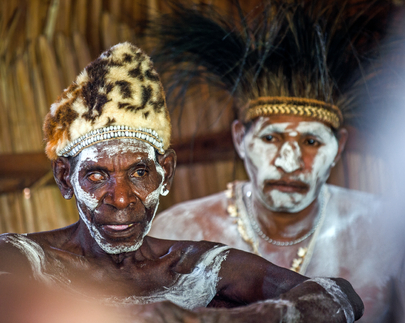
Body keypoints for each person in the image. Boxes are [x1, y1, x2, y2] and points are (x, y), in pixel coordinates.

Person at [0, 42, 365, 322]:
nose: (120, 198)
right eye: (96, 175)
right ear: (65, 179)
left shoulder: (197, 267)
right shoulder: (25, 259)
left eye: (140, 173)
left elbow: (338, 295)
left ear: (166, 172)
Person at [147, 1, 405, 322]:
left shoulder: (388, 231)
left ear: (338, 148)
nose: (290, 161)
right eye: (271, 138)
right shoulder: (177, 231)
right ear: (241, 139)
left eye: (311, 141)